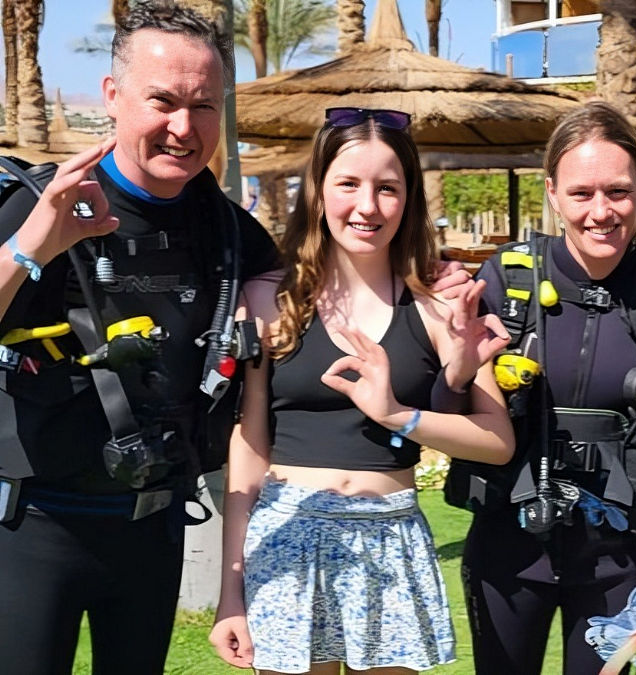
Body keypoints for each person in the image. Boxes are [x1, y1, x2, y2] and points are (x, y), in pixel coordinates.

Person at [0, 4, 280, 674]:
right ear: (114, 96)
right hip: (34, 528)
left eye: (204, 105)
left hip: (151, 528)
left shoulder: (230, 231)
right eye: (163, 100)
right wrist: (38, 241)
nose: (184, 128)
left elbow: (297, 293)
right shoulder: (39, 201)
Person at [206, 106, 515, 674]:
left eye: (388, 188)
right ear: (318, 191)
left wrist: (399, 414)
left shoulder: (443, 303)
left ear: (410, 198)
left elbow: (496, 441)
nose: (367, 206)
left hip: (390, 537)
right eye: (348, 183)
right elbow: (249, 446)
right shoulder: (268, 298)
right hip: (287, 537)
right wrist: (231, 591)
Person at [444, 100, 636, 674]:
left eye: (617, 191)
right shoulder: (507, 279)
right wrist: (456, 369)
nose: (601, 212)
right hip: (509, 541)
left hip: (621, 550)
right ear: (552, 192)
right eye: (581, 193)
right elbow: (453, 411)